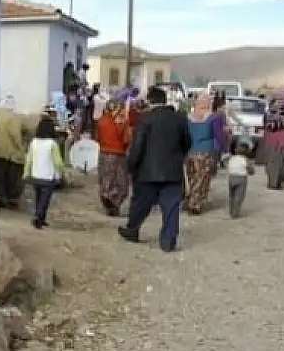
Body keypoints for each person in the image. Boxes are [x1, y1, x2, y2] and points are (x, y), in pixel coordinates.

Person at [118, 86, 192, 253]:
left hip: (147, 171)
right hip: (173, 171)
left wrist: (131, 165)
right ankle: (168, 240)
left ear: (150, 101)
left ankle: (132, 230)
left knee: (140, 204)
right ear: (165, 100)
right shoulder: (179, 118)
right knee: (171, 208)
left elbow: (137, 146)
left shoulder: (145, 119)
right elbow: (187, 142)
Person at [0, 93, 25, 208]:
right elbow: (15, 134)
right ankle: (9, 199)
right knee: (7, 176)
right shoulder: (13, 117)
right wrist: (20, 148)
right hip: (5, 152)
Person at [183, 93, 220, 215]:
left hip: (190, 151)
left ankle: (189, 200)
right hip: (205, 151)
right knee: (202, 178)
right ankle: (196, 203)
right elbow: (218, 135)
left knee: (192, 177)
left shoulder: (188, 117)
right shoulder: (213, 117)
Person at [94, 98, 132, 216]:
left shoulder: (101, 120)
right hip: (118, 154)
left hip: (103, 153)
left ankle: (107, 197)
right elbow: (126, 140)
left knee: (106, 179)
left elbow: (97, 137)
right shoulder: (121, 121)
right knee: (121, 183)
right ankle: (114, 201)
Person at [24, 117, 63, 229]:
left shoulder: (34, 142)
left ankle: (41, 217)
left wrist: (26, 172)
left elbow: (29, 159)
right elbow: (58, 162)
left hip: (35, 175)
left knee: (38, 198)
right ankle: (38, 217)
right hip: (48, 176)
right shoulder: (52, 144)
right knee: (44, 200)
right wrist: (59, 174)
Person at [262, 99, 284, 190]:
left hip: (282, 142)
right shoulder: (270, 114)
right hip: (275, 142)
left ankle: (276, 183)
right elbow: (269, 126)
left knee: (280, 163)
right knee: (275, 163)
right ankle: (275, 183)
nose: (279, 105)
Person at [227, 141, 255, 218]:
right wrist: (251, 172)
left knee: (231, 195)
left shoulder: (232, 158)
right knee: (239, 196)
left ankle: (231, 210)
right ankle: (235, 213)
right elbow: (251, 171)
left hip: (231, 177)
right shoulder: (246, 160)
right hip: (241, 178)